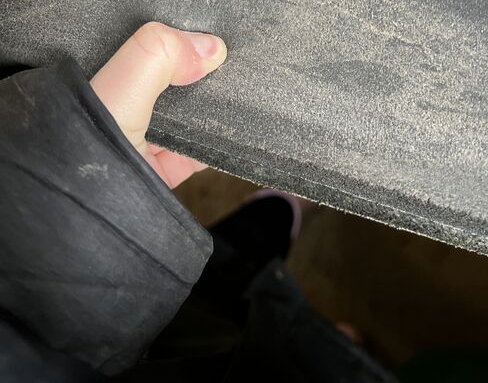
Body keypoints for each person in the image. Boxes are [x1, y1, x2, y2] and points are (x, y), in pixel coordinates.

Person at [0, 22, 397, 382]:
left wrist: (80, 201)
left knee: (229, 267)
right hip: (145, 339)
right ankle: (321, 344)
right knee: (252, 317)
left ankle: (283, 216)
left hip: (138, 324)